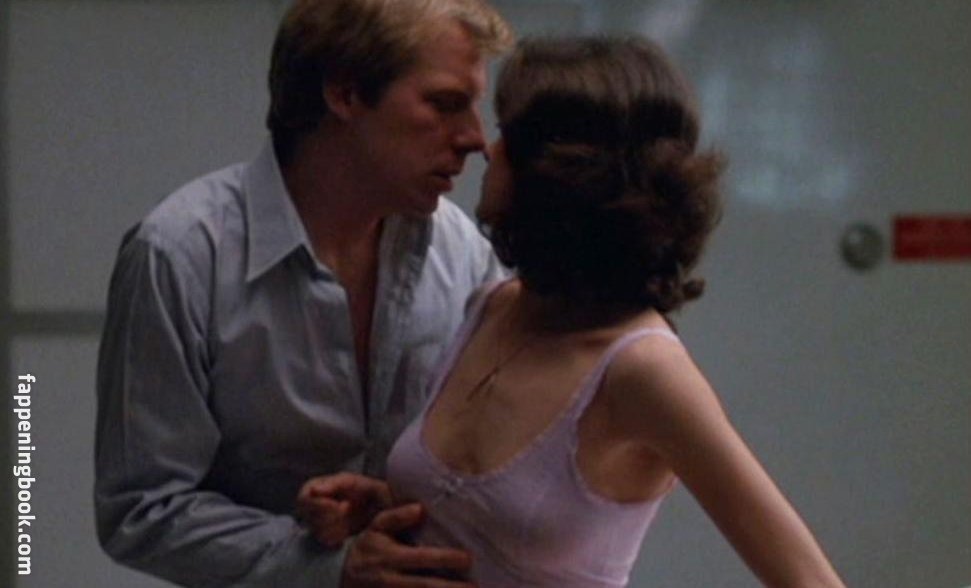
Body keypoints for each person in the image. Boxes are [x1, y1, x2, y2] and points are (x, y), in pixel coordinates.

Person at [299, 36, 847, 587]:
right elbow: (489, 526)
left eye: (510, 136)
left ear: (557, 176)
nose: (486, 149)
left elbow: (810, 579)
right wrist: (384, 506)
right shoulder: (494, 305)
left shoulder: (642, 369)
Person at [94, 1, 513, 586]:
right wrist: (327, 565)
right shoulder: (181, 253)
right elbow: (141, 510)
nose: (476, 139)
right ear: (344, 94)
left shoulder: (461, 250)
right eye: (444, 104)